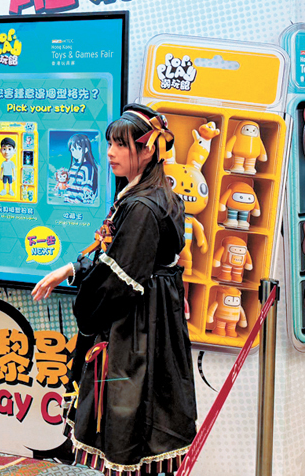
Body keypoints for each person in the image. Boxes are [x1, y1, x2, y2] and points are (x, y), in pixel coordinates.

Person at [33, 104, 197, 475]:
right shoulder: (159, 195)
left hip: (134, 330)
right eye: (110, 144)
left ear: (148, 150)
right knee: (146, 417)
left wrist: (86, 310)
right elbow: (121, 258)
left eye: (121, 145)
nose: (110, 152)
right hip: (154, 323)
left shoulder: (141, 206)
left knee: (128, 417)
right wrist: (72, 268)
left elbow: (118, 281)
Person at [64, 133, 99, 205]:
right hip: (70, 201)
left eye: (79, 149)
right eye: (73, 149)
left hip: (81, 203)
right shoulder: (73, 166)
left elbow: (87, 187)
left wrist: (78, 201)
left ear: (86, 149)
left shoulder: (87, 167)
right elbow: (70, 184)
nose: (75, 152)